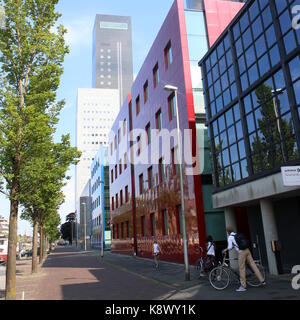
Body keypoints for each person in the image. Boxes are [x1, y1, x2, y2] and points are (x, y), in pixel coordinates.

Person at [223, 227, 266, 292]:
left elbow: (229, 247)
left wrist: (225, 250)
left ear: (227, 232)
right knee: (253, 265)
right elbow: (235, 245)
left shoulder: (230, 237)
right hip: (247, 250)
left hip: (241, 252)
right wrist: (230, 248)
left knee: (241, 269)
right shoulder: (236, 234)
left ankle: (243, 286)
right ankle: (262, 280)